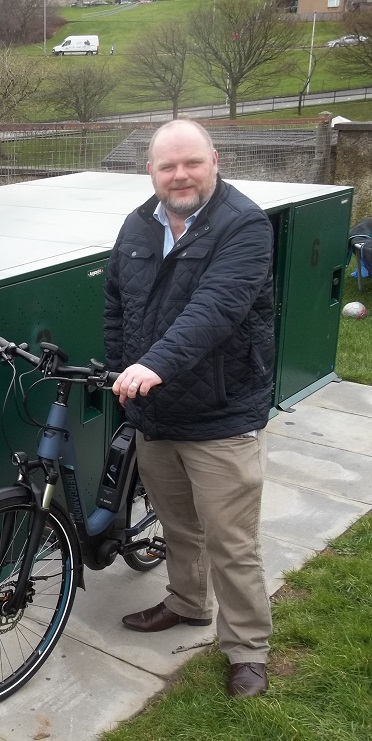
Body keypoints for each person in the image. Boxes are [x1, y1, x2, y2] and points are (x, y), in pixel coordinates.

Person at [104, 119, 274, 698]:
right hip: (155, 414)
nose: (179, 175)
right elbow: (117, 306)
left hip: (222, 416)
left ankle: (247, 649)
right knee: (179, 528)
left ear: (215, 160)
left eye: (191, 163)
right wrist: (120, 370)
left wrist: (153, 366)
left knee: (232, 540)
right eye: (166, 165)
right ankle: (186, 603)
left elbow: (216, 309)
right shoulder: (137, 225)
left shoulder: (244, 226)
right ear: (149, 170)